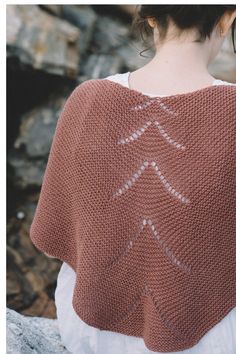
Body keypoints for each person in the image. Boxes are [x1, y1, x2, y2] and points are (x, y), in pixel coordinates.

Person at [32, 5, 236, 354]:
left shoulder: (87, 99)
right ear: (227, 18)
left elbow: (57, 225)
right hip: (209, 341)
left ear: (150, 18)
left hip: (89, 331)